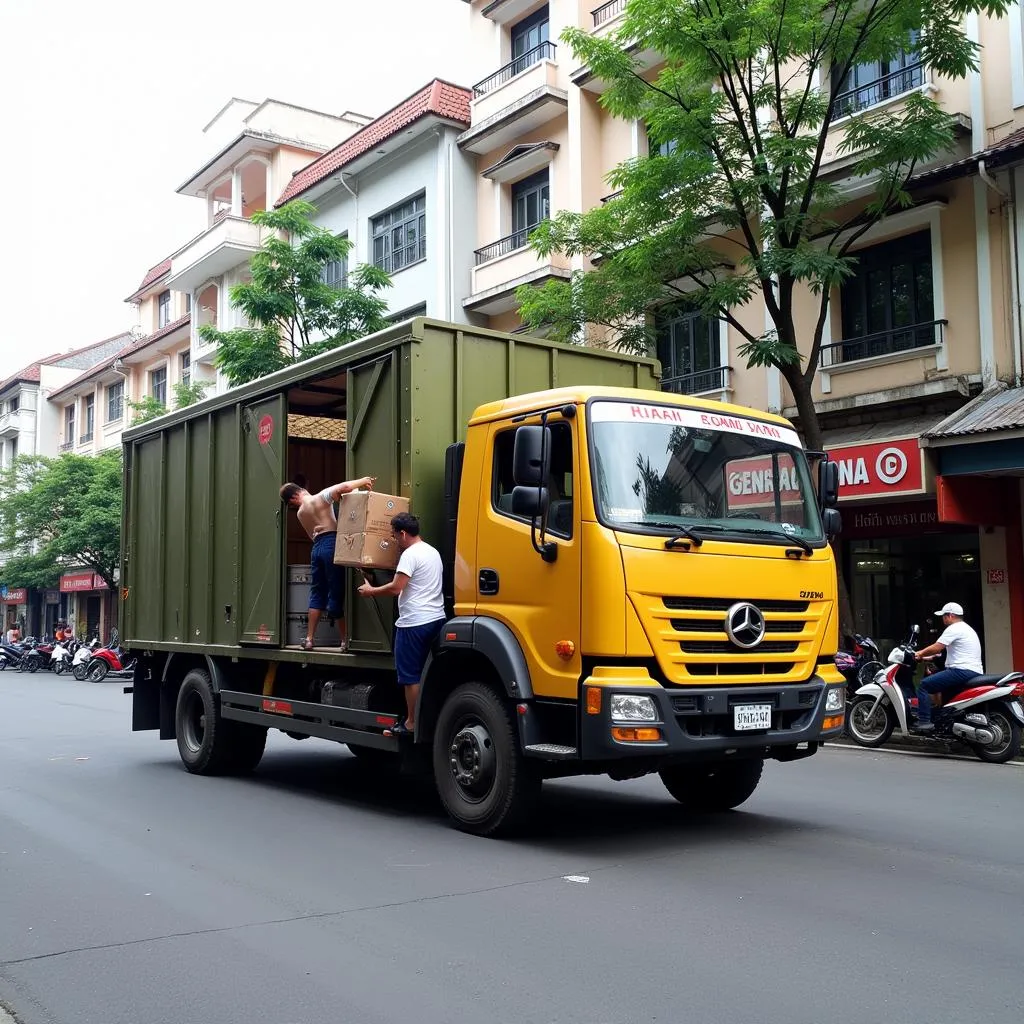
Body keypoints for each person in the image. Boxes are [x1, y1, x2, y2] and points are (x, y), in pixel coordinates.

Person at [357, 512, 445, 736]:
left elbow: (397, 587)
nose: (395, 540)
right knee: (426, 673)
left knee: (410, 676)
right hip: (436, 618)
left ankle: (412, 723)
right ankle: (427, 719)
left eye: (395, 536)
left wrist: (370, 591)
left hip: (413, 622)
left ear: (403, 533)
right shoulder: (432, 551)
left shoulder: (410, 555)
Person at [280, 475, 376, 651]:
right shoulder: (320, 498)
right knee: (336, 591)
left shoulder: (301, 514)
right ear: (297, 493)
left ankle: (309, 639)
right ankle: (344, 641)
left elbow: (312, 535)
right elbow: (344, 487)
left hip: (316, 548)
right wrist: (364, 480)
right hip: (332, 543)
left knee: (317, 591)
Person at [911, 601, 983, 733]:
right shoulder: (967, 628)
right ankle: (946, 725)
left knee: (923, 686)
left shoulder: (954, 628)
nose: (942, 619)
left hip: (961, 671)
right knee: (947, 698)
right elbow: (946, 652)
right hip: (972, 671)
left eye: (944, 616)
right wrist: (928, 658)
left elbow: (937, 647)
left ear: (950, 615)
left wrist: (919, 653)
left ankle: (924, 722)